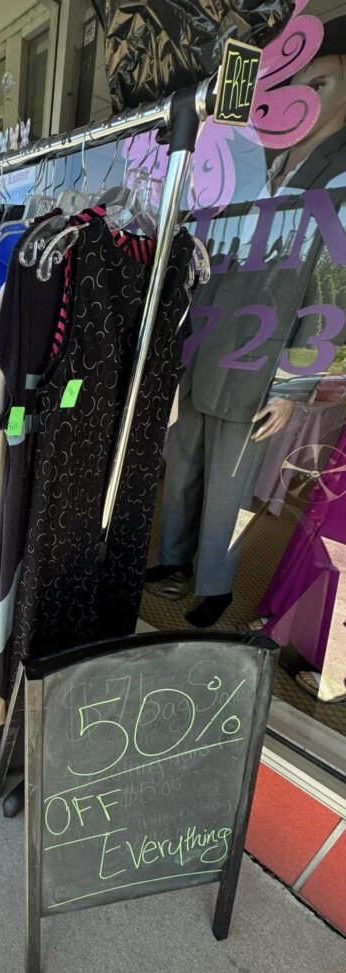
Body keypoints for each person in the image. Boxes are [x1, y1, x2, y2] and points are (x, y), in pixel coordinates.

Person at [146, 14, 346, 627]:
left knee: (230, 483)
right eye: (296, 86)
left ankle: (216, 584)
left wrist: (290, 384)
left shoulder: (339, 182)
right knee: (181, 466)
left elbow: (334, 294)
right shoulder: (250, 161)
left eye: (321, 87)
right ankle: (173, 558)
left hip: (259, 361)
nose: (302, 102)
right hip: (204, 340)